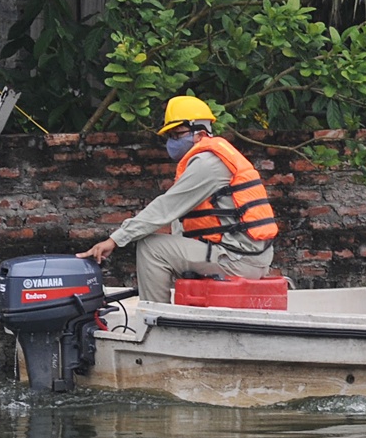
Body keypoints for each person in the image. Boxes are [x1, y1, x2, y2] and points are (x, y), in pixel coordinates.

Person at [79, 95, 279, 303]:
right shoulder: (214, 157)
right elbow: (177, 219)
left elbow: (165, 208)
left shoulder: (208, 164)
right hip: (244, 256)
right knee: (169, 241)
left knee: (151, 247)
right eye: (171, 136)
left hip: (239, 260)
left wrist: (115, 240)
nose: (173, 142)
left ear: (200, 132)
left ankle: (154, 319)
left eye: (178, 134)